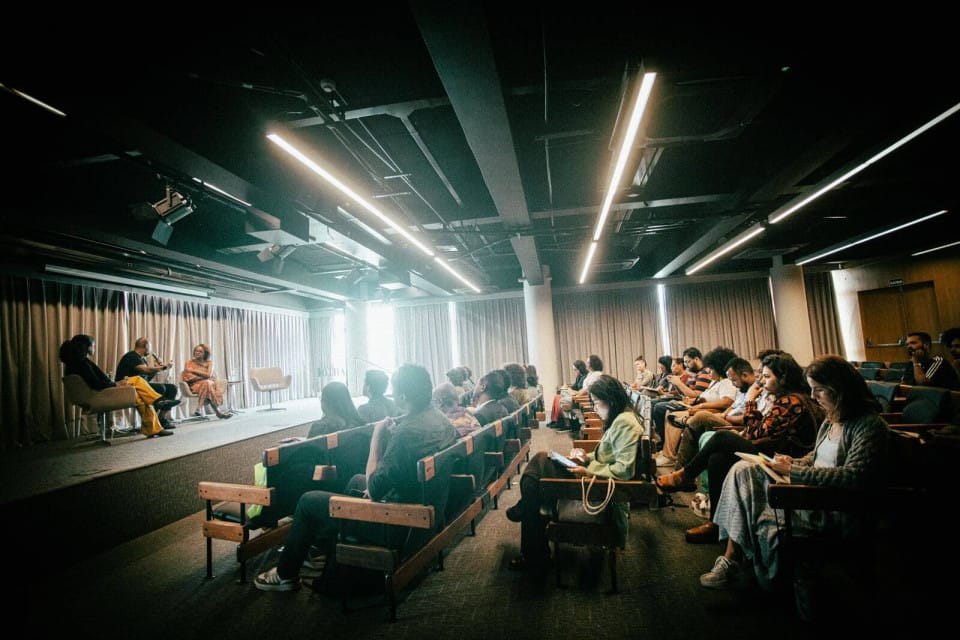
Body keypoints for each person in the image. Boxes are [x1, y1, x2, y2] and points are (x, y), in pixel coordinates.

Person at [697, 354, 889, 594]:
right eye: (812, 389)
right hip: (809, 491)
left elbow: (853, 477)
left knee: (728, 456)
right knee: (742, 469)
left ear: (840, 389)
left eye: (819, 390)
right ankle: (732, 559)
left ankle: (746, 566)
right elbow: (816, 456)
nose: (813, 396)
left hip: (829, 506)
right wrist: (793, 462)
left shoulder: (869, 425)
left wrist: (795, 471)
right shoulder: (832, 419)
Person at [255, 363, 457, 591]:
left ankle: (285, 574)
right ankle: (334, 548)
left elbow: (375, 488)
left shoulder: (406, 433)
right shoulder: (440, 419)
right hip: (425, 510)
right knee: (354, 481)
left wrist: (377, 438)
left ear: (402, 396)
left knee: (308, 501)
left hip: (398, 523)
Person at [657, 353, 822, 543]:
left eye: (767, 377)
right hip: (771, 451)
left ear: (783, 377)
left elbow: (754, 433)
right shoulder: (784, 399)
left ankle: (685, 475)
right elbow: (758, 431)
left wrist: (750, 400)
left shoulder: (791, 401)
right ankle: (716, 524)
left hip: (782, 460)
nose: (762, 381)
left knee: (722, 437)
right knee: (717, 458)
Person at [505, 374, 641, 570]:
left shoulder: (624, 422)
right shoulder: (621, 418)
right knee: (540, 465)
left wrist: (587, 471)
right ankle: (530, 535)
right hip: (593, 479)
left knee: (537, 471)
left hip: (596, 485)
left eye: (597, 403)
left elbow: (624, 470)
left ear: (611, 400)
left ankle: (529, 530)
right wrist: (586, 456)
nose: (595, 408)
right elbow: (607, 455)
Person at [59, 334, 174, 437]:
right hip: (100, 394)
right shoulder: (83, 364)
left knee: (141, 398)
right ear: (87, 347)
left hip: (99, 392)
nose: (94, 348)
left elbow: (95, 382)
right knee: (138, 380)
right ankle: (158, 400)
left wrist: (114, 383)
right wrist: (115, 383)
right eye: (93, 345)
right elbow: (97, 384)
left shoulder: (74, 364)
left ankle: (154, 428)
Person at [116, 337, 179, 429]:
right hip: (129, 388)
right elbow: (145, 370)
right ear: (146, 346)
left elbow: (146, 378)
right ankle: (152, 421)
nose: (150, 350)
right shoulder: (132, 356)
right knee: (161, 388)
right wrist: (164, 367)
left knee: (172, 388)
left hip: (141, 385)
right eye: (150, 347)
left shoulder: (142, 359)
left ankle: (161, 419)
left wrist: (156, 368)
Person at [180, 343, 232, 419]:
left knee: (207, 384)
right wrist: (203, 377)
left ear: (205, 353)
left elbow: (208, 375)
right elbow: (188, 377)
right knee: (207, 384)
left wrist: (193, 371)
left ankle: (199, 407)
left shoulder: (209, 363)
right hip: (195, 386)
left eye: (200, 351)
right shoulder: (188, 362)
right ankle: (218, 412)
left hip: (208, 385)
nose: (197, 353)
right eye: (196, 351)